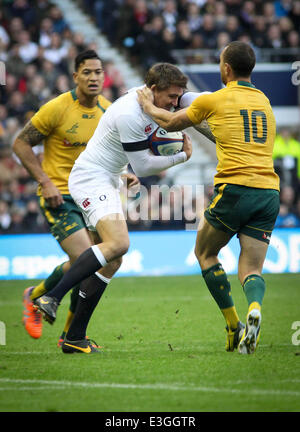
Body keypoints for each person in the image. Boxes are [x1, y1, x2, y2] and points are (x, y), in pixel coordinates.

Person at [32, 62, 193, 354]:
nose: (174, 103)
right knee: (119, 243)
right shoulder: (129, 112)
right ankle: (51, 297)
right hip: (91, 179)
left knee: (111, 260)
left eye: (178, 97)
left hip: (109, 178)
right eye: (171, 96)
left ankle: (74, 337)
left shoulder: (151, 104)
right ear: (153, 90)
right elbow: (143, 165)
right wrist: (181, 156)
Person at [137, 41, 280, 355]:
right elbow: (227, 134)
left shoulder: (215, 99)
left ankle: (233, 326)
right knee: (252, 268)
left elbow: (171, 122)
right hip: (269, 192)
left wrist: (148, 106)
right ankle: (254, 307)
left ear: (226, 68)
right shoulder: (265, 103)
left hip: (236, 189)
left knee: (205, 253)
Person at [13, 50, 139, 348]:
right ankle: (36, 297)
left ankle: (69, 336)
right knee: (85, 257)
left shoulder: (109, 113)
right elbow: (20, 143)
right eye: (87, 72)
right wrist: (44, 181)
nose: (94, 78)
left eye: (98, 72)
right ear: (75, 76)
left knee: (104, 260)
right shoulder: (57, 108)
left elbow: (109, 157)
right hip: (60, 195)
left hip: (93, 195)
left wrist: (125, 174)